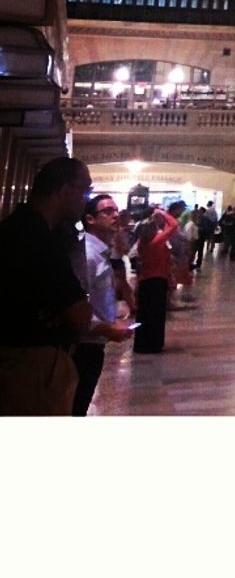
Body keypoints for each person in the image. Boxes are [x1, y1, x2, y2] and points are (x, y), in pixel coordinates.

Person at [0, 157, 94, 416]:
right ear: (66, 190)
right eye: (86, 190)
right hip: (31, 365)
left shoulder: (17, 226)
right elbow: (79, 316)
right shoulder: (39, 239)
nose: (87, 198)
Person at [73, 192, 138, 414]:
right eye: (107, 211)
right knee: (76, 405)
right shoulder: (87, 255)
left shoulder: (100, 251)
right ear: (90, 219)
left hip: (94, 342)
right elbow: (75, 304)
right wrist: (107, 328)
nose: (115, 215)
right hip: (82, 345)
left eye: (116, 210)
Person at [134, 202, 183, 348]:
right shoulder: (157, 241)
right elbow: (173, 225)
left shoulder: (142, 243)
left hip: (145, 280)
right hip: (157, 280)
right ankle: (154, 343)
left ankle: (143, 343)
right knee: (156, 314)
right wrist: (162, 212)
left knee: (145, 314)